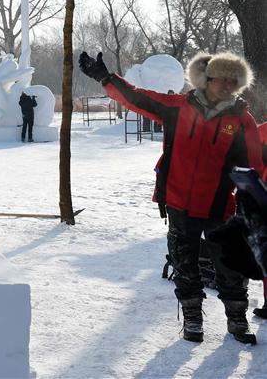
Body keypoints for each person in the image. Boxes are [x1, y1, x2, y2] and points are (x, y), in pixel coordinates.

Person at [79, 50, 265, 344]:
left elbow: (255, 165)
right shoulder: (179, 107)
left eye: (233, 81)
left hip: (221, 206)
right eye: (221, 79)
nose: (226, 86)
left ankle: (237, 320)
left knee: (230, 266)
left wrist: (252, 201)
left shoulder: (242, 121)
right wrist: (106, 77)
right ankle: (192, 319)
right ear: (207, 79)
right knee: (184, 263)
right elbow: (138, 98)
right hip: (179, 202)